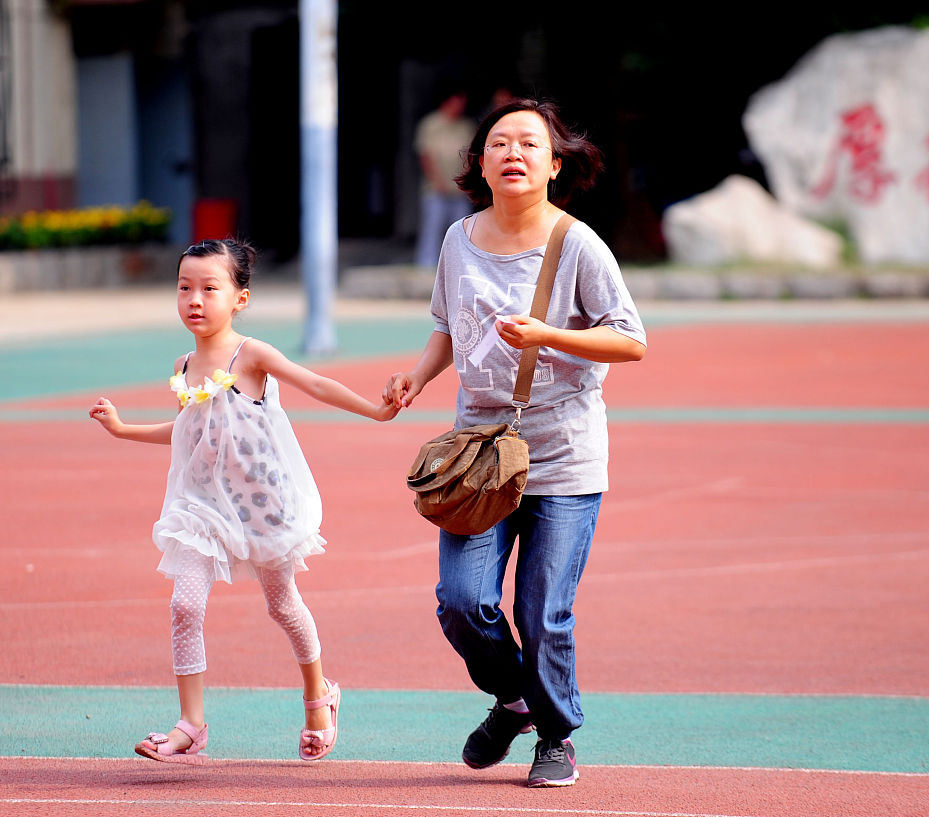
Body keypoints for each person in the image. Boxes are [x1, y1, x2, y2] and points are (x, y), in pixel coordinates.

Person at [385, 99, 647, 787]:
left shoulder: (578, 245)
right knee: (460, 598)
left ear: (555, 165)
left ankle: (556, 735)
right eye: (499, 142)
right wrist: (414, 378)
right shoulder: (458, 239)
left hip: (564, 452)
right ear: (479, 162)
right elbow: (447, 326)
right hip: (479, 454)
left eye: (530, 144)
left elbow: (631, 338)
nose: (514, 153)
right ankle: (514, 698)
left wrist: (549, 334)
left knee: (542, 610)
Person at [89, 238, 399, 765]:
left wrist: (377, 410)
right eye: (185, 287)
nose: (195, 299)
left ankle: (319, 696)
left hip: (261, 507)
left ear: (241, 298)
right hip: (201, 507)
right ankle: (190, 724)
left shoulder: (250, 354)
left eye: (210, 288)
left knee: (282, 606)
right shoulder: (183, 363)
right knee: (185, 605)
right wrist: (123, 430)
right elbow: (188, 431)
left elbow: (317, 383)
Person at [414, 89, 476, 267]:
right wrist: (436, 180)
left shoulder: (466, 126)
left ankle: (460, 265)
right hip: (434, 188)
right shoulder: (430, 124)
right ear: (448, 102)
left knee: (463, 231)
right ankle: (426, 266)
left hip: (459, 189)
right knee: (432, 228)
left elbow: (470, 157)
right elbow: (425, 155)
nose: (461, 107)